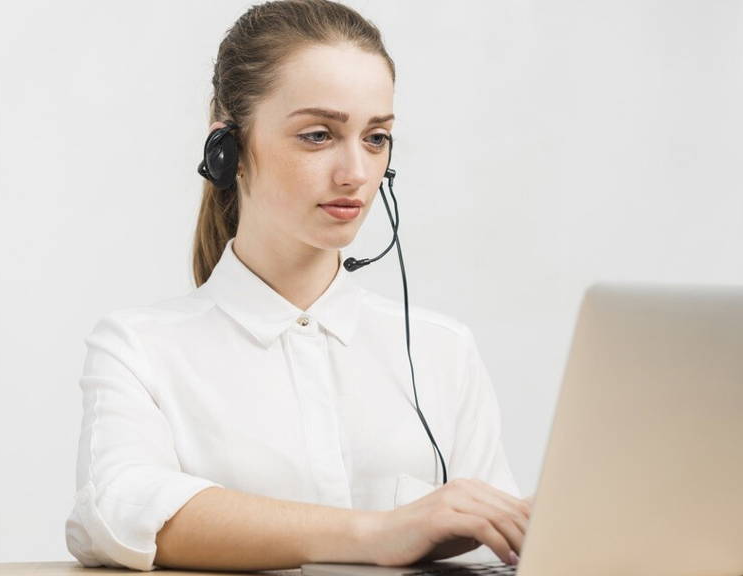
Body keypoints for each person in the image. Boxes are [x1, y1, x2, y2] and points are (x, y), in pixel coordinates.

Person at [64, 0, 529, 572]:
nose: (356, 173)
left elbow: (503, 542)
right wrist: (380, 533)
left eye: (376, 138)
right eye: (318, 135)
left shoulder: (443, 350)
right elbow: (118, 512)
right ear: (227, 149)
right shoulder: (140, 348)